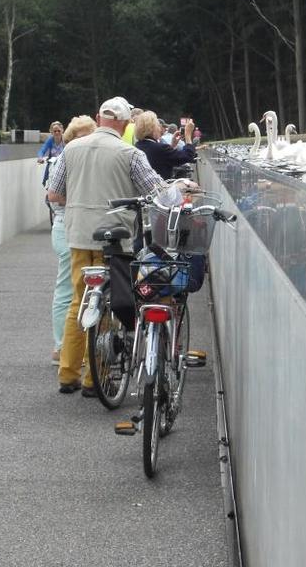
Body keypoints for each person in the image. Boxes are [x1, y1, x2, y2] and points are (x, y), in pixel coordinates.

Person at [46, 96, 166, 396]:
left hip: (77, 235)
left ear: (99, 119)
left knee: (79, 302)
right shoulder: (130, 154)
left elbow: (54, 195)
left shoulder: (70, 149)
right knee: (107, 306)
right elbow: (157, 191)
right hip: (114, 238)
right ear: (126, 124)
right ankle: (94, 378)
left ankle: (68, 373)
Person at [47, 115, 96, 363]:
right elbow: (53, 195)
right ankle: (61, 346)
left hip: (82, 227)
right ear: (70, 139)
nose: (86, 140)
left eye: (90, 135)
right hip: (66, 226)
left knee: (87, 289)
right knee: (68, 288)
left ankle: (78, 347)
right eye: (81, 136)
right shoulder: (64, 158)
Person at [133, 110, 197, 180]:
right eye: (158, 126)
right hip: (161, 187)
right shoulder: (159, 148)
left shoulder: (137, 146)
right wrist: (188, 135)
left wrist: (172, 146)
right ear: (152, 129)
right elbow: (187, 156)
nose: (160, 129)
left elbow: (162, 157)